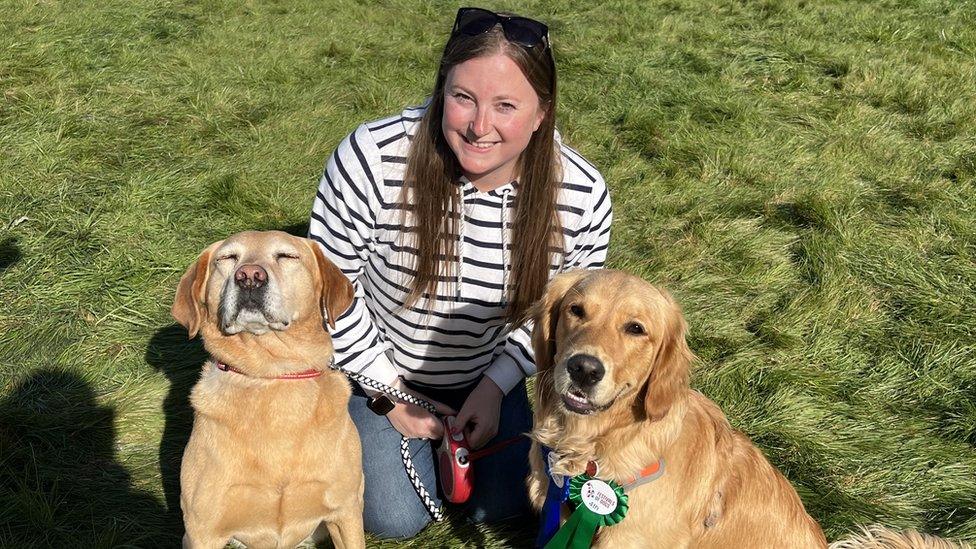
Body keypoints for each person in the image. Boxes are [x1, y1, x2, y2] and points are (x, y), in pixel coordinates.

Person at [308, 7, 612, 539]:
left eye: (506, 106)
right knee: (394, 518)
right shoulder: (373, 157)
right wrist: (385, 390)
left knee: (501, 508)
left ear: (542, 113)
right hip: (376, 365)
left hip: (487, 371)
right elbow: (327, 289)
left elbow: (564, 319)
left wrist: (495, 386)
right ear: (441, 89)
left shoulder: (582, 195)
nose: (479, 126)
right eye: (463, 97)